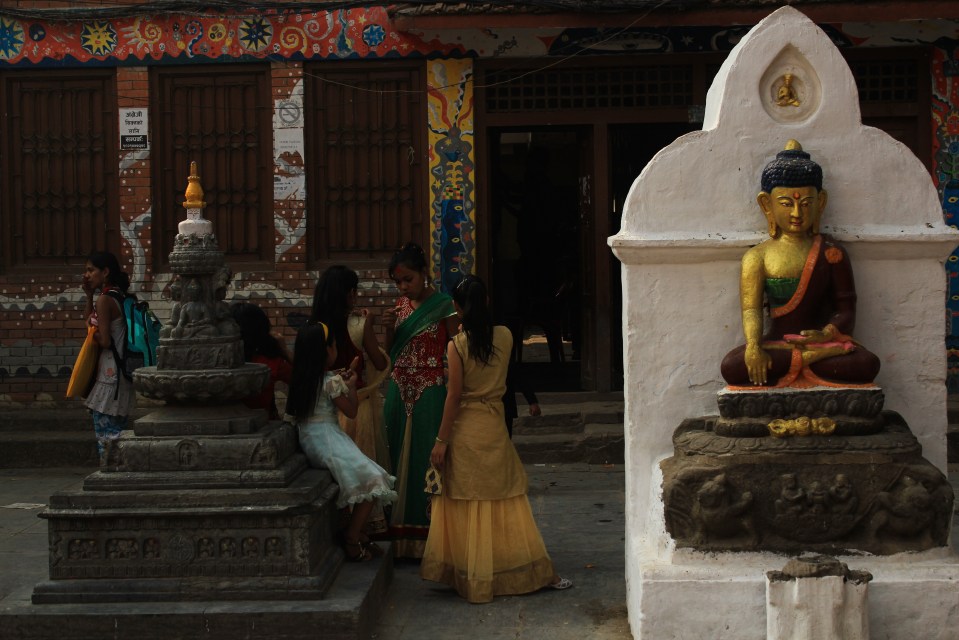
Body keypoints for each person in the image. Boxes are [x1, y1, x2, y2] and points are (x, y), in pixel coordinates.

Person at [420, 274, 571, 603]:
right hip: (494, 424)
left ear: (458, 308)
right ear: (487, 302)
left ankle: (470, 571)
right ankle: (514, 567)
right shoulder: (505, 336)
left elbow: (454, 396)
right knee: (502, 495)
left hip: (466, 427)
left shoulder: (457, 345)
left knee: (468, 496)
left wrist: (441, 441)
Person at [720, 140, 881, 388]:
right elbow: (751, 310)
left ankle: (807, 357)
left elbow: (846, 310)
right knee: (732, 366)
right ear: (766, 204)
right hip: (778, 344)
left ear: (821, 202)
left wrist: (825, 334)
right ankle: (808, 359)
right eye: (786, 204)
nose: (797, 213)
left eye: (806, 204)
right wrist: (753, 347)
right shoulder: (758, 256)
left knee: (867, 364)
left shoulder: (831, 253)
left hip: (821, 344)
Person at [286, 322, 397, 561]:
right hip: (329, 439)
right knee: (375, 480)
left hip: (311, 441)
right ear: (326, 351)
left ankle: (356, 533)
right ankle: (352, 538)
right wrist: (352, 387)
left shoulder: (300, 380)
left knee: (368, 477)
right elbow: (351, 412)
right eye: (334, 346)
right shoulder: (330, 381)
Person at [382, 242, 459, 558]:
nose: (403, 287)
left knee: (427, 458)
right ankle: (396, 536)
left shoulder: (444, 305)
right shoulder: (399, 306)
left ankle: (432, 539)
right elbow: (390, 353)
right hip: (398, 388)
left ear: (424, 273)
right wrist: (387, 329)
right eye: (398, 282)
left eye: (408, 279)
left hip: (430, 390)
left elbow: (456, 347)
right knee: (394, 454)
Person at [310, 265, 391, 533]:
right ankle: (360, 534)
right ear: (349, 294)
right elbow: (379, 362)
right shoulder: (359, 323)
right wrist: (376, 329)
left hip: (326, 415)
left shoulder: (315, 328)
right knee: (365, 475)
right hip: (358, 408)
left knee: (341, 477)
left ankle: (340, 528)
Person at [81, 251, 136, 461]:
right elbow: (95, 321)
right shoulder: (120, 296)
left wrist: (89, 330)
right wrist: (89, 296)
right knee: (117, 435)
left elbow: (103, 340)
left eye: (91, 270)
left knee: (106, 439)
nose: (87, 275)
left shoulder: (105, 300)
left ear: (105, 272)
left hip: (109, 378)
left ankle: (110, 471)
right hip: (121, 376)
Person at [231, 302, 292, 420]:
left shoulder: (218, 361)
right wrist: (284, 350)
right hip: (263, 422)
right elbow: (303, 379)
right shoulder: (269, 362)